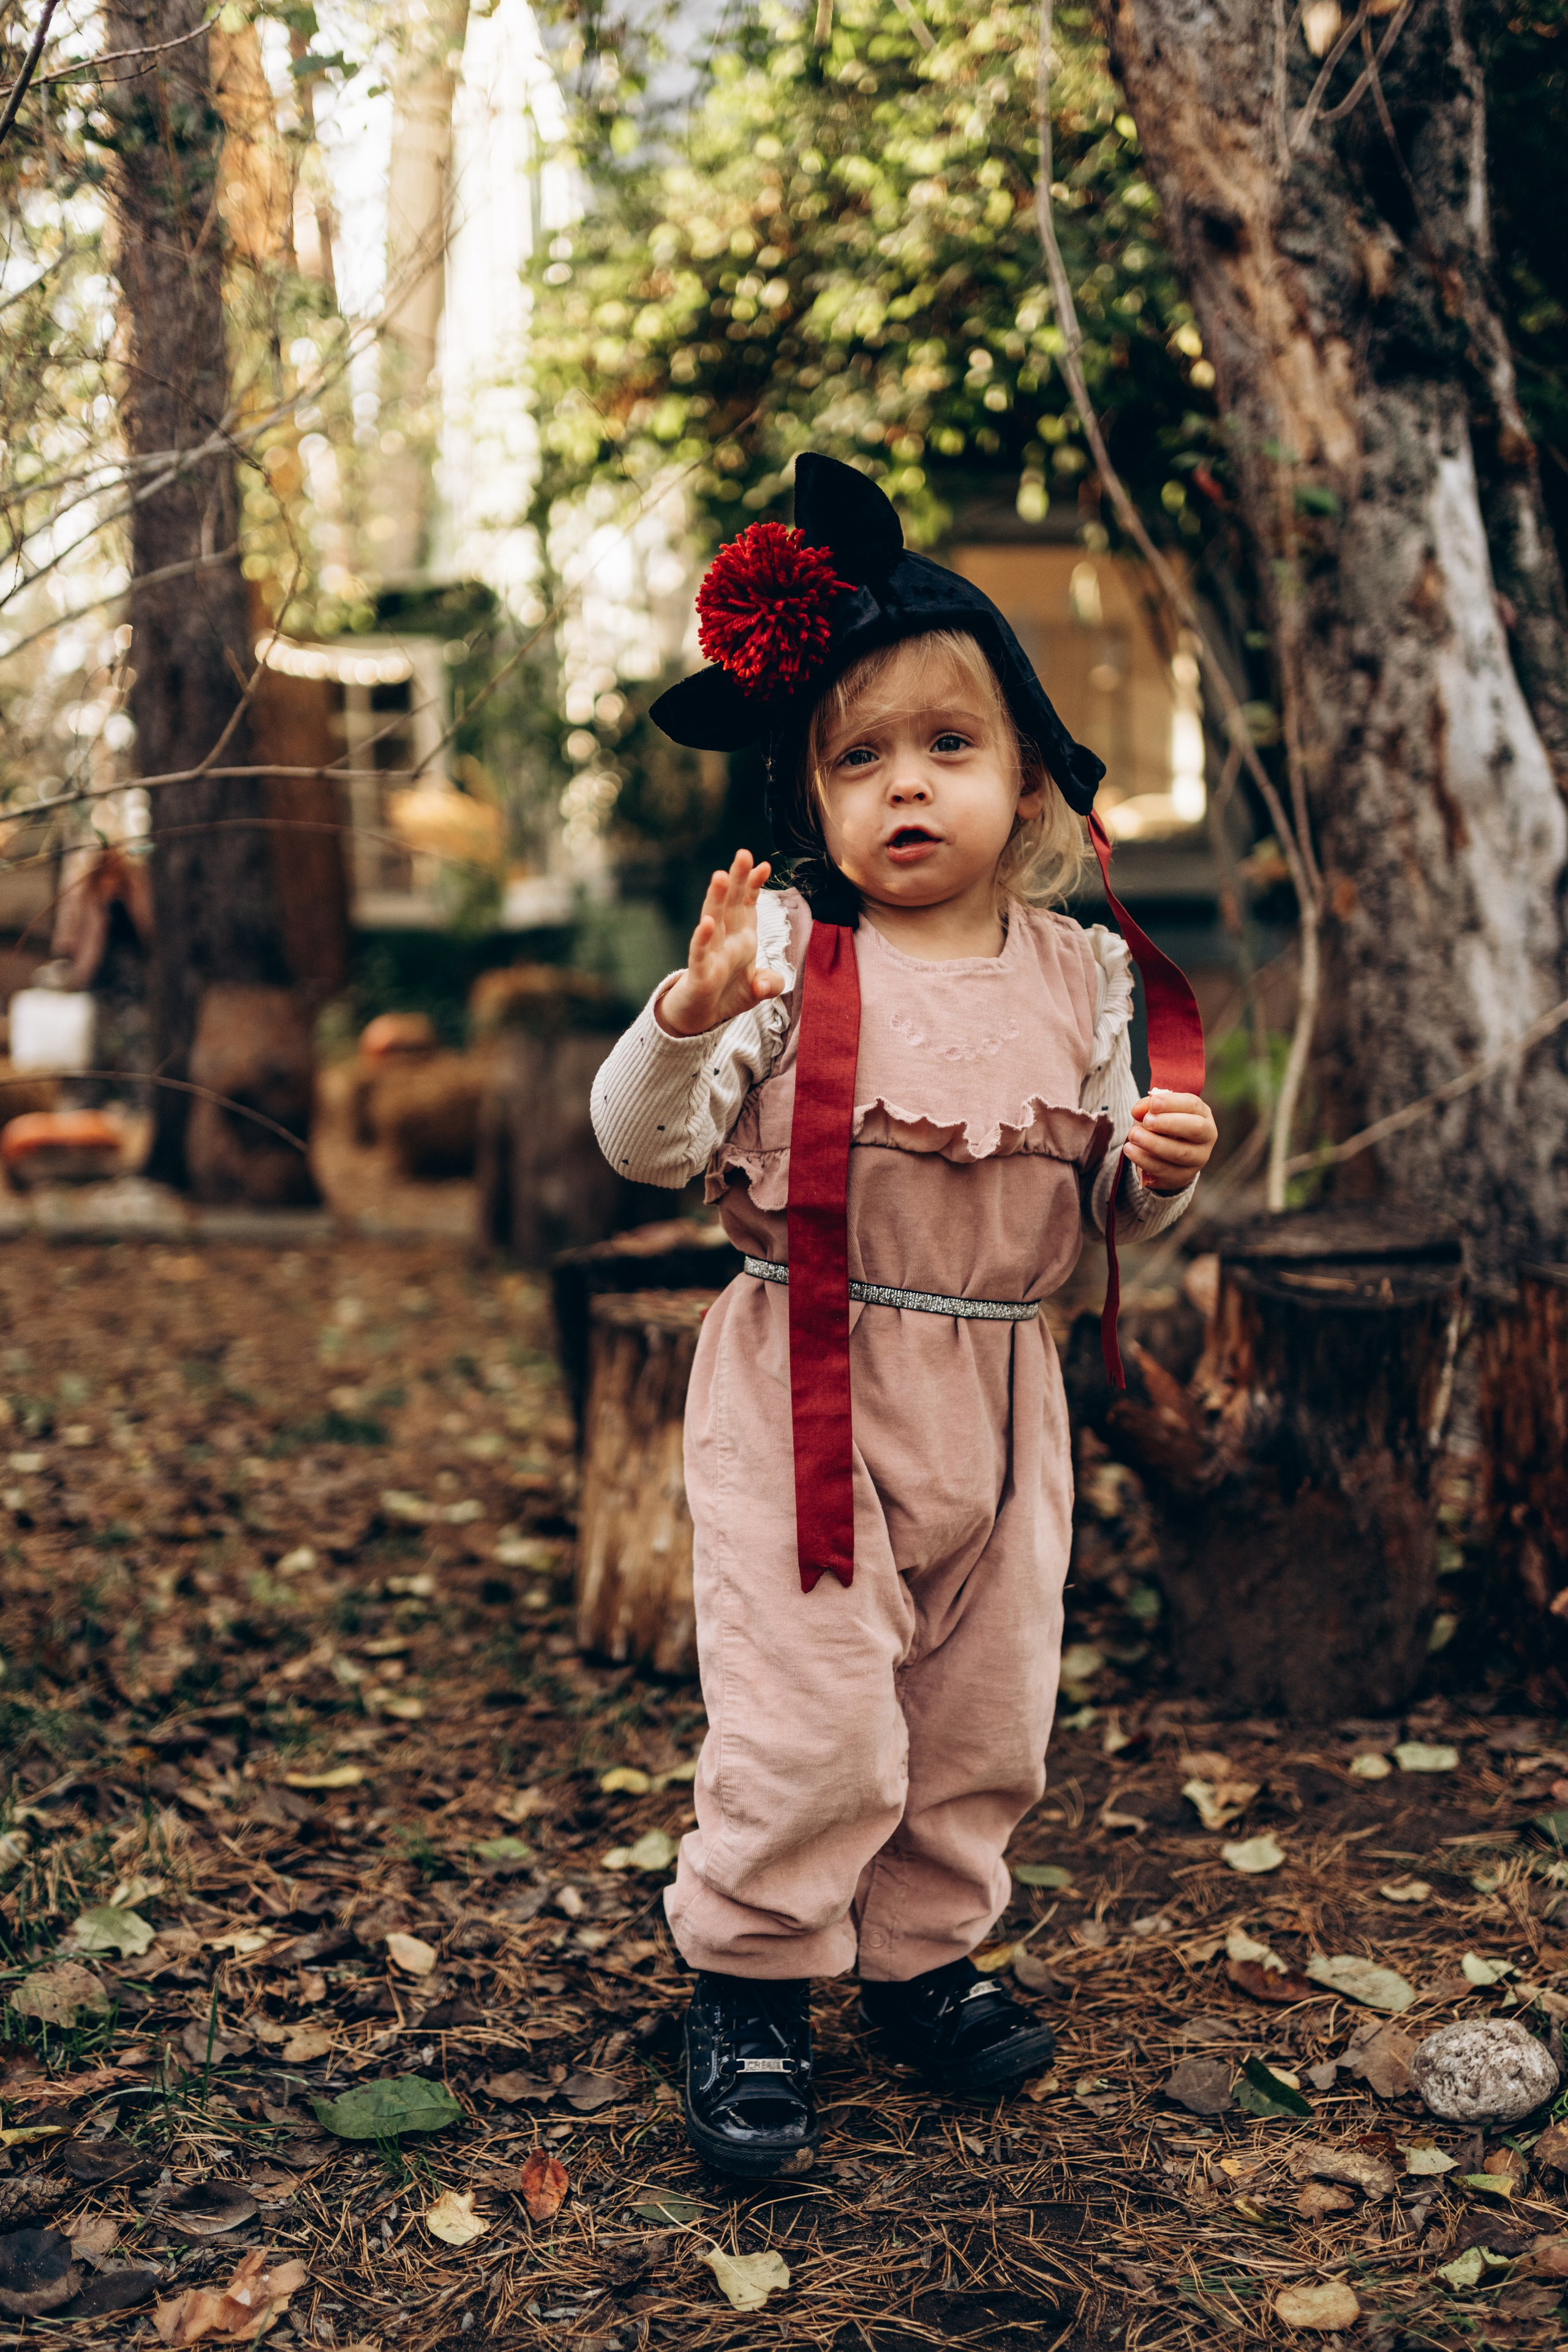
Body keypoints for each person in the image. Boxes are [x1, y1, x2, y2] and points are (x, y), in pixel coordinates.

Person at [590, 454, 1216, 2179]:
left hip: (1007, 1398)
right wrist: (685, 1013)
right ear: (810, 796)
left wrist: (1160, 1165)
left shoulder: (1082, 975)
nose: (908, 787)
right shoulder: (789, 958)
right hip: (811, 1377)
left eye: (950, 745)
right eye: (858, 757)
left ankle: (923, 1956)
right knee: (812, 1711)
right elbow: (644, 1150)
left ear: (1028, 779)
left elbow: (1090, 1207)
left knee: (981, 1706)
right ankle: (753, 1977)